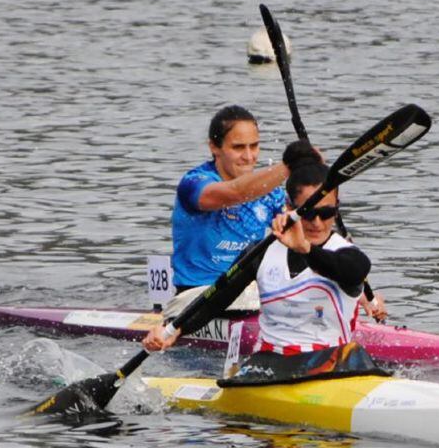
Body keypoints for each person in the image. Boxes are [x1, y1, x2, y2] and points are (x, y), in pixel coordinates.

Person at [145, 160, 385, 380]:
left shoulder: (347, 253)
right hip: (269, 367)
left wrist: (305, 249)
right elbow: (215, 300)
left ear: (337, 208)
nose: (317, 223)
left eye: (327, 213)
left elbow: (355, 272)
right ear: (289, 206)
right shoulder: (261, 252)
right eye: (308, 213)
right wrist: (173, 330)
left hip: (333, 365)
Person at [170, 106, 319, 293]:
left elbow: (307, 232)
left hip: (248, 293)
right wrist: (290, 166)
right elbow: (236, 193)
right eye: (238, 147)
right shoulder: (193, 183)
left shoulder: (271, 194)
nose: (249, 157)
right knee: (256, 250)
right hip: (195, 295)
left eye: (254, 146)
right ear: (214, 147)